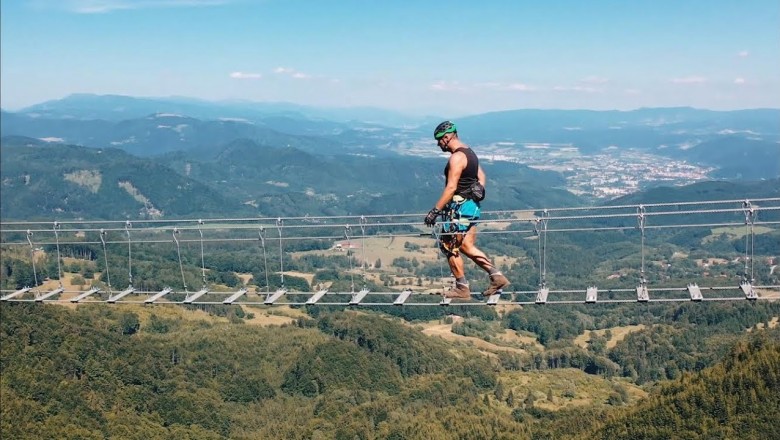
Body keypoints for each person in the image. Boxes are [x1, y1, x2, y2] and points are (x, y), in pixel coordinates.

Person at [424, 121, 510, 299]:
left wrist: (435, 211)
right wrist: (479, 190)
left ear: (447, 138)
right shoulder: (470, 153)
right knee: (466, 245)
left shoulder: (456, 157)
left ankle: (462, 287)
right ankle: (497, 276)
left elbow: (451, 187)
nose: (438, 144)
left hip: (458, 209)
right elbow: (482, 176)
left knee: (448, 246)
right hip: (471, 207)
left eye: (439, 140)